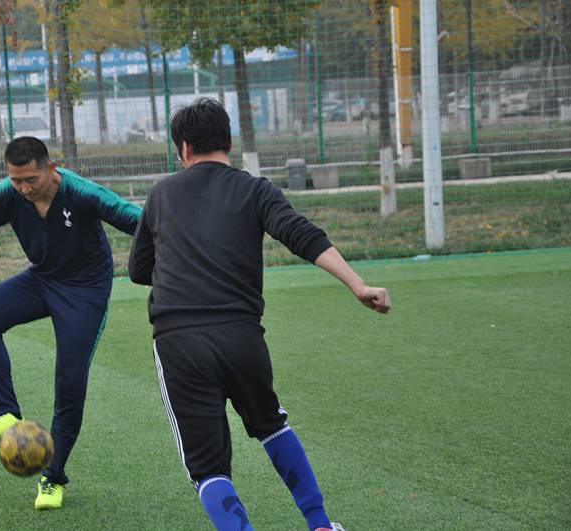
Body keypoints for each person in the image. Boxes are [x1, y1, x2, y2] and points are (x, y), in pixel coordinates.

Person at [127, 98, 391, 531]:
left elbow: (139, 271)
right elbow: (299, 233)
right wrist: (357, 284)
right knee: (271, 424)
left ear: (183, 148)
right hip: (242, 336)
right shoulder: (255, 189)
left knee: (208, 468)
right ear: (230, 142)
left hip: (179, 341)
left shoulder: (161, 194)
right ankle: (321, 525)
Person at [0, 136, 141, 510]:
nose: (24, 188)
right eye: (16, 180)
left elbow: (138, 219)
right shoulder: (6, 195)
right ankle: (3, 413)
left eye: (31, 180)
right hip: (42, 279)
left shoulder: (83, 193)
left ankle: (53, 478)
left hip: (86, 292)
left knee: (69, 385)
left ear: (51, 168)